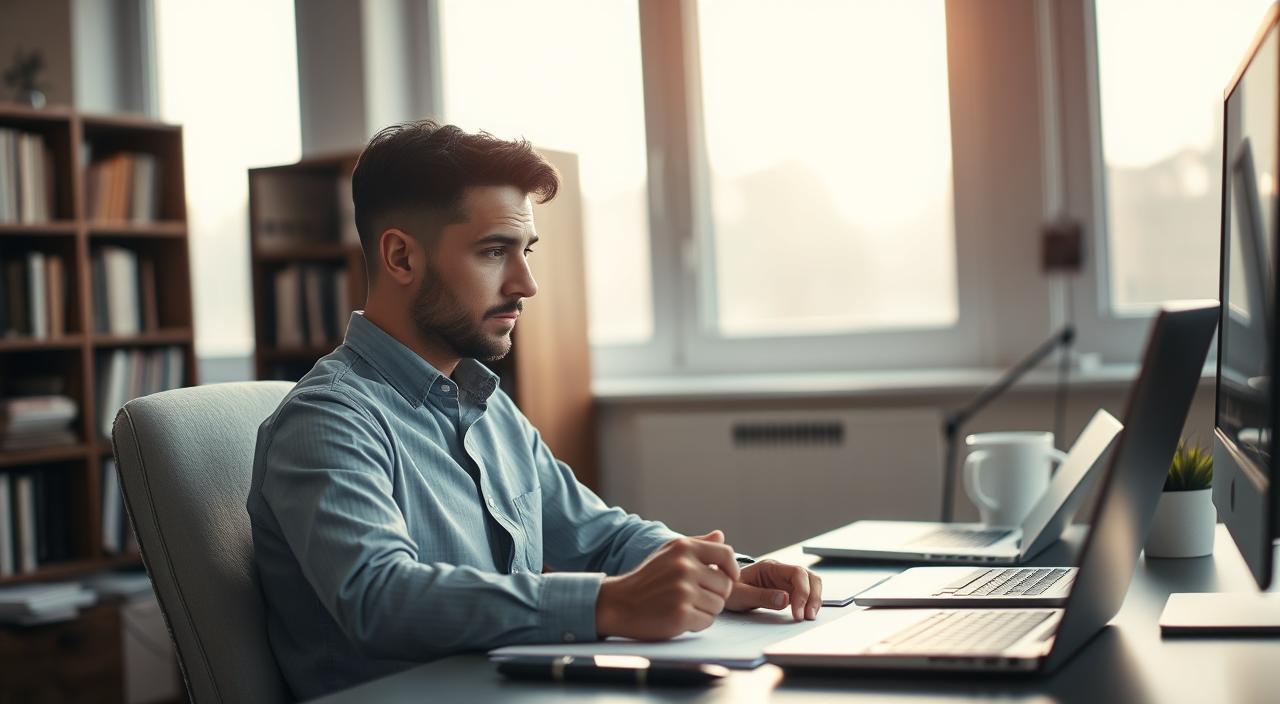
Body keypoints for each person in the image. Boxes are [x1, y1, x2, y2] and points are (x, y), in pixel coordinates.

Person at [246, 120, 823, 699]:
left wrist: (723, 574)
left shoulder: (487, 407)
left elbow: (598, 537)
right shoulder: (328, 420)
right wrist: (609, 603)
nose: (526, 283)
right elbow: (379, 596)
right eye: (494, 251)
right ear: (401, 257)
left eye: (525, 251)